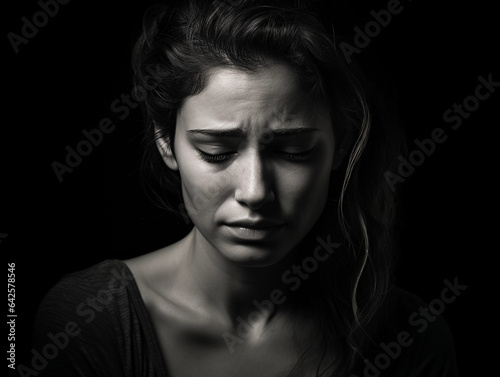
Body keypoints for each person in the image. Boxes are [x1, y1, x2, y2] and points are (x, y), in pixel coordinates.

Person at [29, 0, 458, 376]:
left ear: (340, 146)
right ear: (166, 141)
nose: (255, 191)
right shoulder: (88, 320)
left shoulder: (410, 337)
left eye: (294, 151)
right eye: (217, 151)